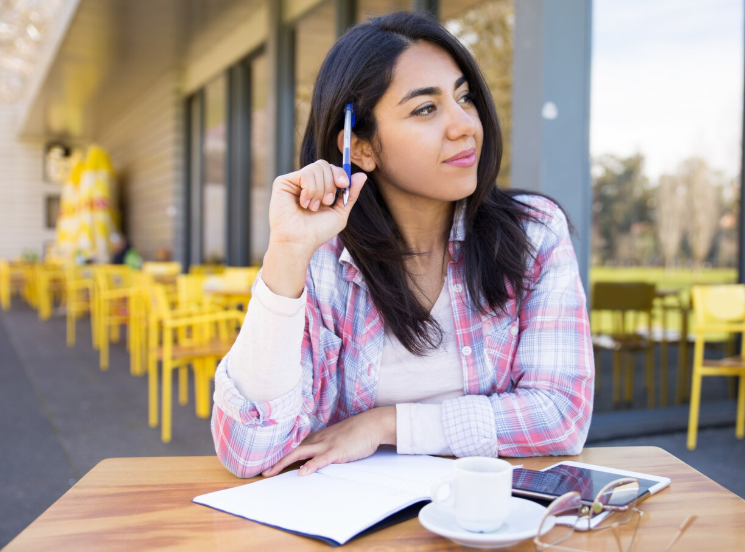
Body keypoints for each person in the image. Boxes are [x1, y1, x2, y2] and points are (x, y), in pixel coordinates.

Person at [212, 11, 594, 479]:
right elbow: (250, 452)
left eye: (464, 97)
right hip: (351, 530)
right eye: (426, 109)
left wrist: (387, 424)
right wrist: (288, 251)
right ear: (362, 147)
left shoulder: (533, 233)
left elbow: (561, 415)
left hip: (488, 521)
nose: (464, 126)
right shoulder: (324, 258)